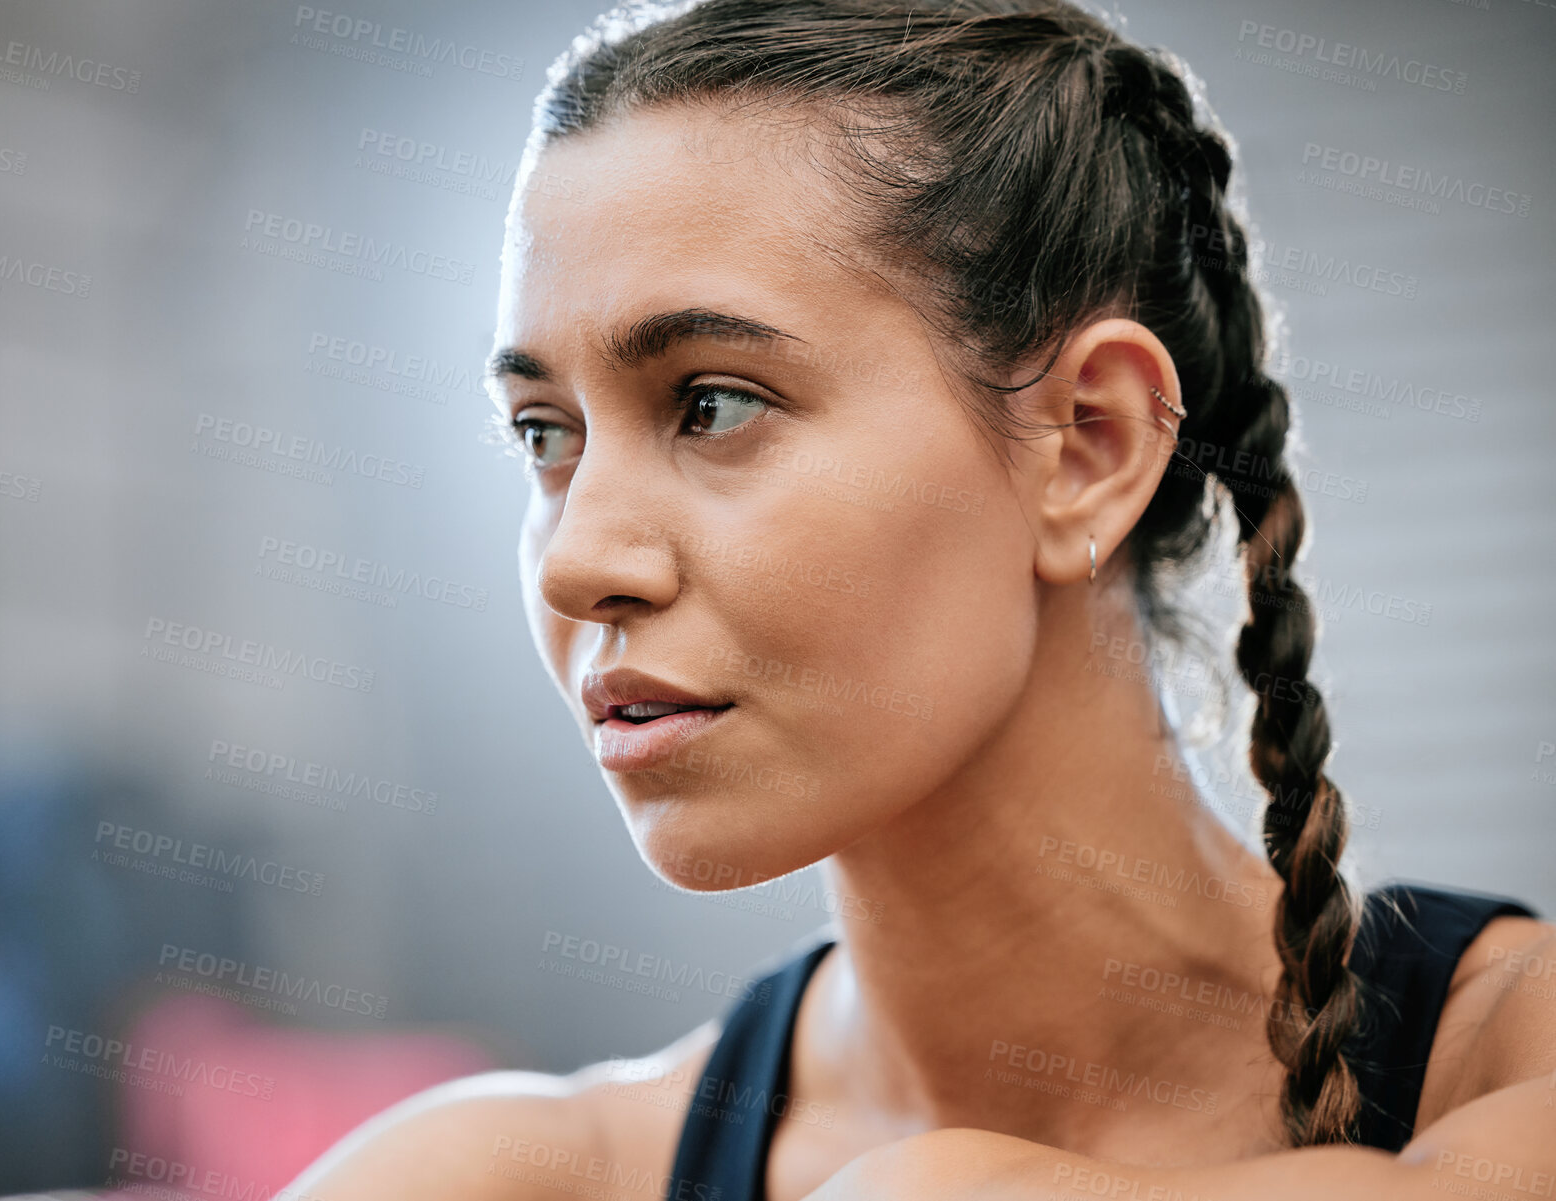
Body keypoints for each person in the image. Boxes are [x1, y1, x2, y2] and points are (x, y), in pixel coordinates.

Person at [288, 1, 1556, 1197]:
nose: (575, 561)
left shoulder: (1515, 1067)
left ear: (1089, 445)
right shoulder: (520, 1175)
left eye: (712, 402)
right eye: (542, 434)